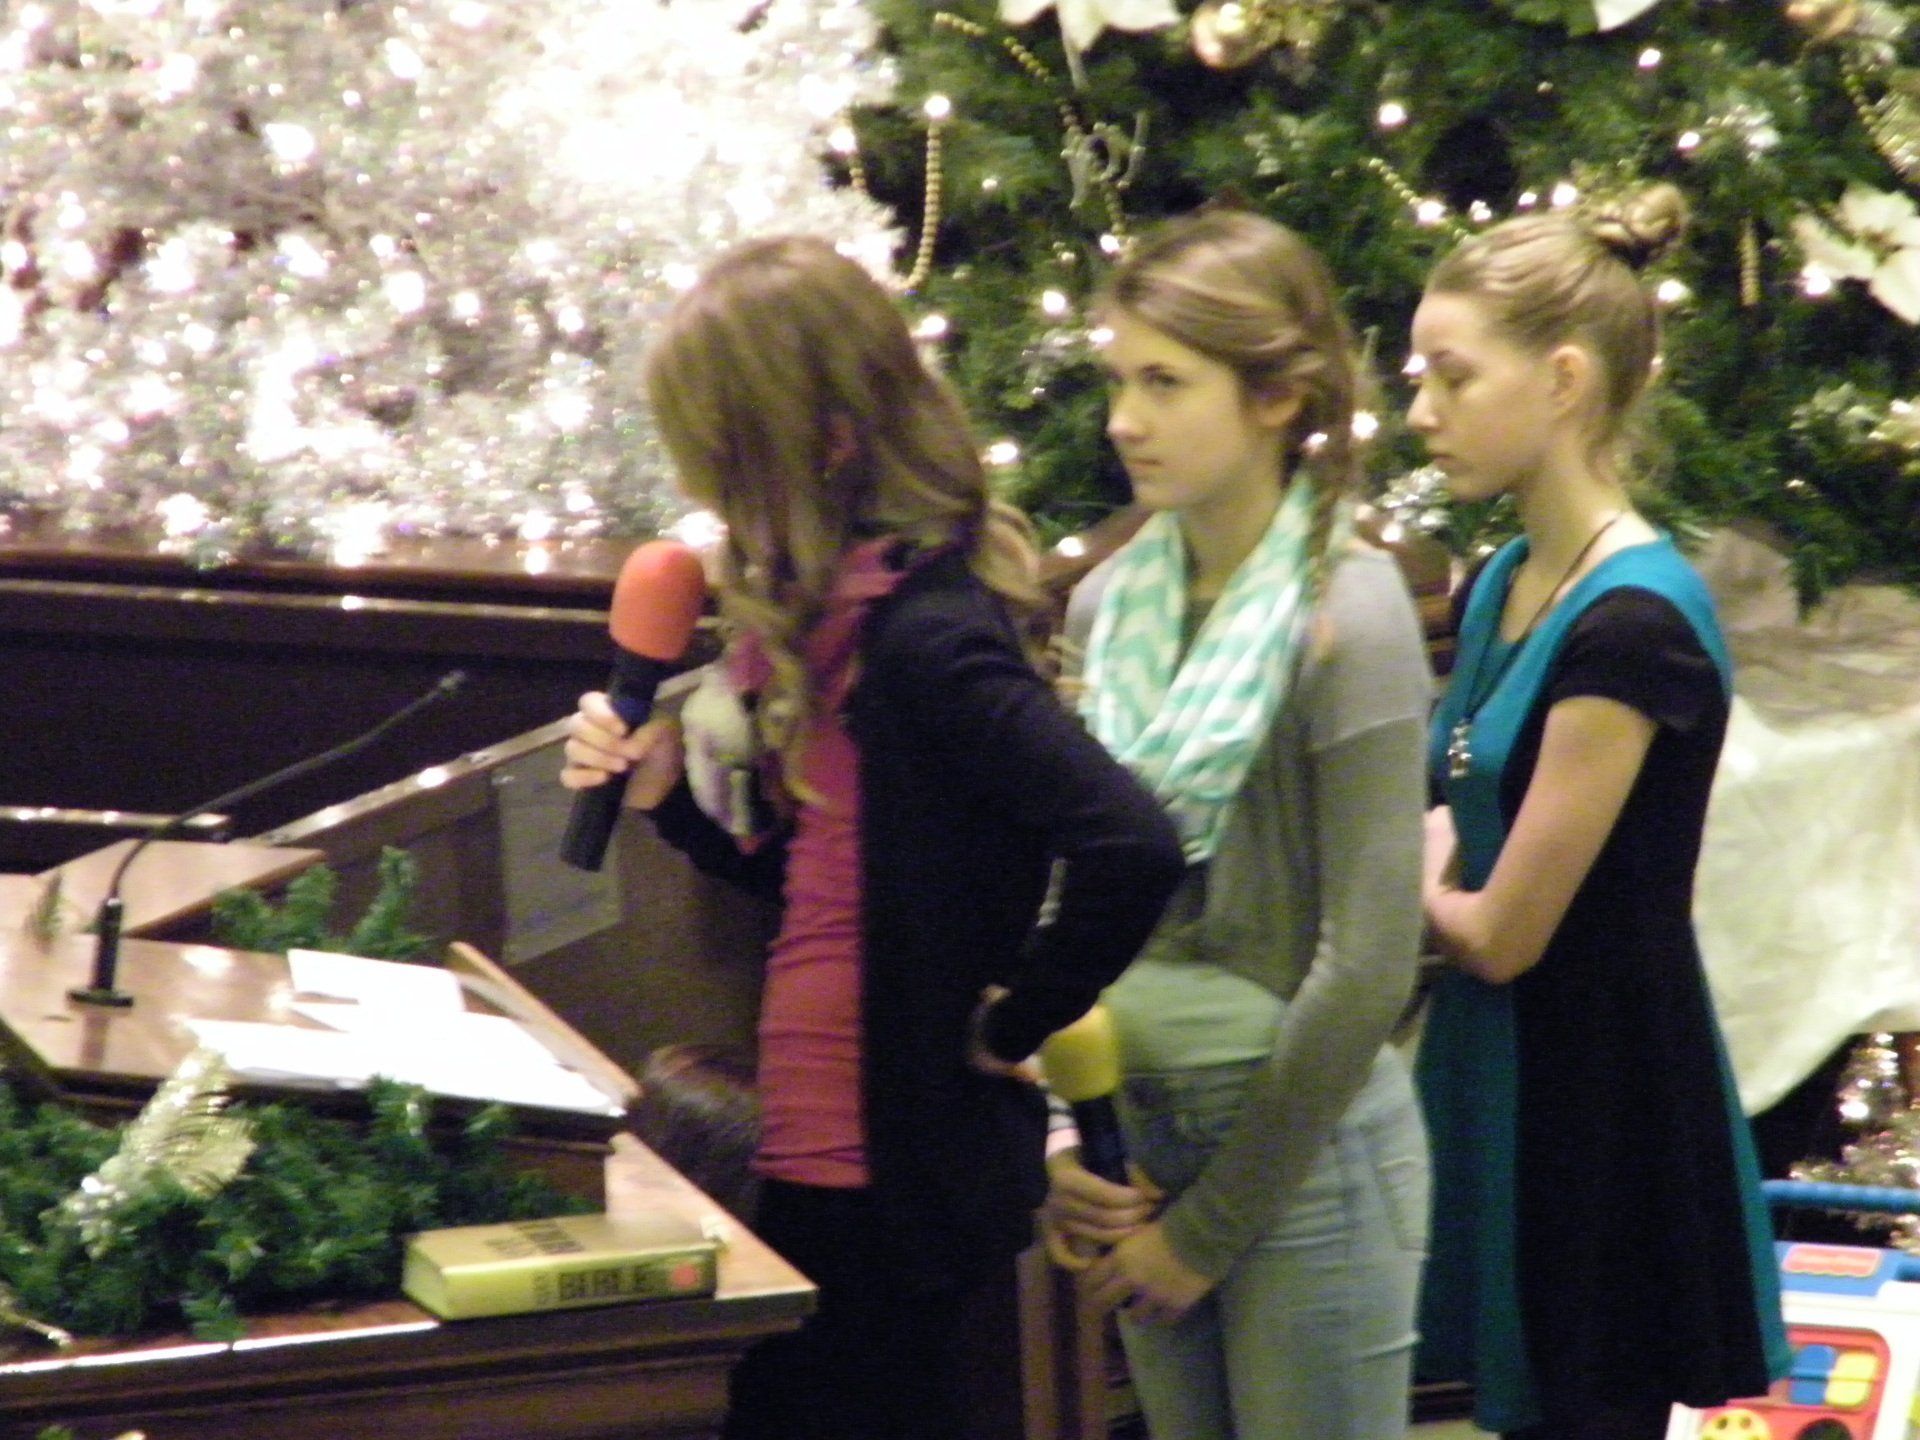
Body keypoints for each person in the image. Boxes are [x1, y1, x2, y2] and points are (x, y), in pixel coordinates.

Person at [558, 234, 1185, 1440]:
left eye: (730, 461)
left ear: (830, 444)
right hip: (826, 1151)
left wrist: (1012, 1018)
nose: (716, 502)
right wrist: (667, 802)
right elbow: (840, 895)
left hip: (883, 1174)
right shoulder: (852, 624)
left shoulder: (926, 642)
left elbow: (1132, 844)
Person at [1038, 207, 1434, 1440]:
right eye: (1117, 380)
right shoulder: (1105, 606)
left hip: (1302, 1162)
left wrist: (1204, 1235)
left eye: (1165, 383)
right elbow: (1066, 914)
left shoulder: (1352, 615)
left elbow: (1367, 967)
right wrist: (1065, 1143)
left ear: (1277, 396)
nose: (1124, 420)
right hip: (1137, 1140)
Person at [1406, 182, 1791, 1440]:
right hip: (1504, 1074)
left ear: (1563, 381)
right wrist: (1434, 860)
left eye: (1453, 377)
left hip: (1599, 1111)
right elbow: (1455, 803)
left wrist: (1407, 872)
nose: (1420, 413)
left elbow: (1505, 932)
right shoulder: (1503, 577)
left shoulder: (1634, 626)